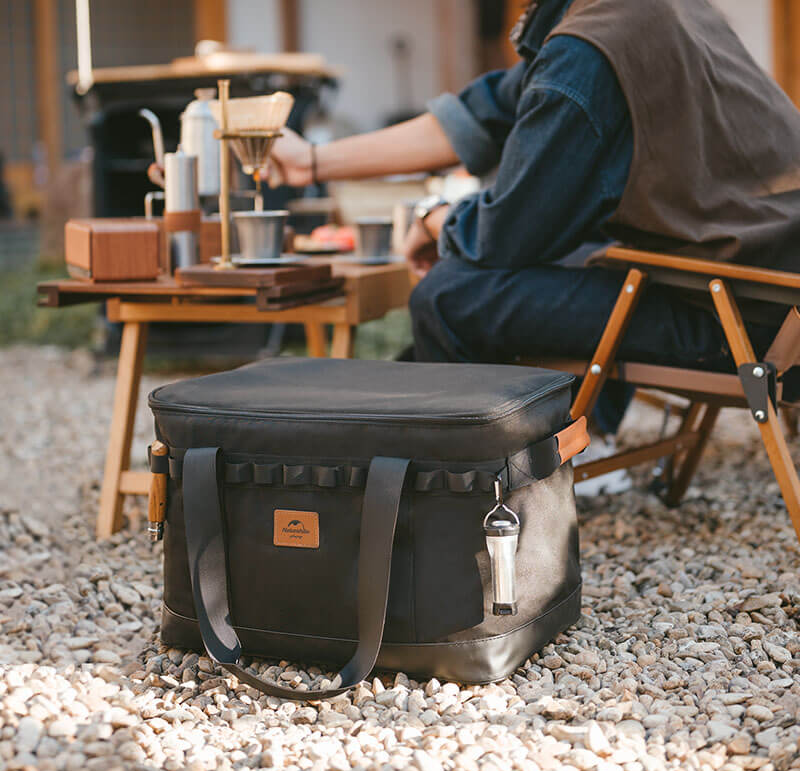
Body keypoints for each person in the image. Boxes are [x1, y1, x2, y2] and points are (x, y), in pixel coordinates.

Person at [266, 0, 800, 462]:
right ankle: (387, 438)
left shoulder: (588, 48)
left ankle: (482, 482)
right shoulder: (644, 13)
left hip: (740, 320)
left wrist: (437, 218)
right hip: (773, 295)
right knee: (580, 254)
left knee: (450, 296)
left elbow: (508, 234)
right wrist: (309, 162)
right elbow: (488, 110)